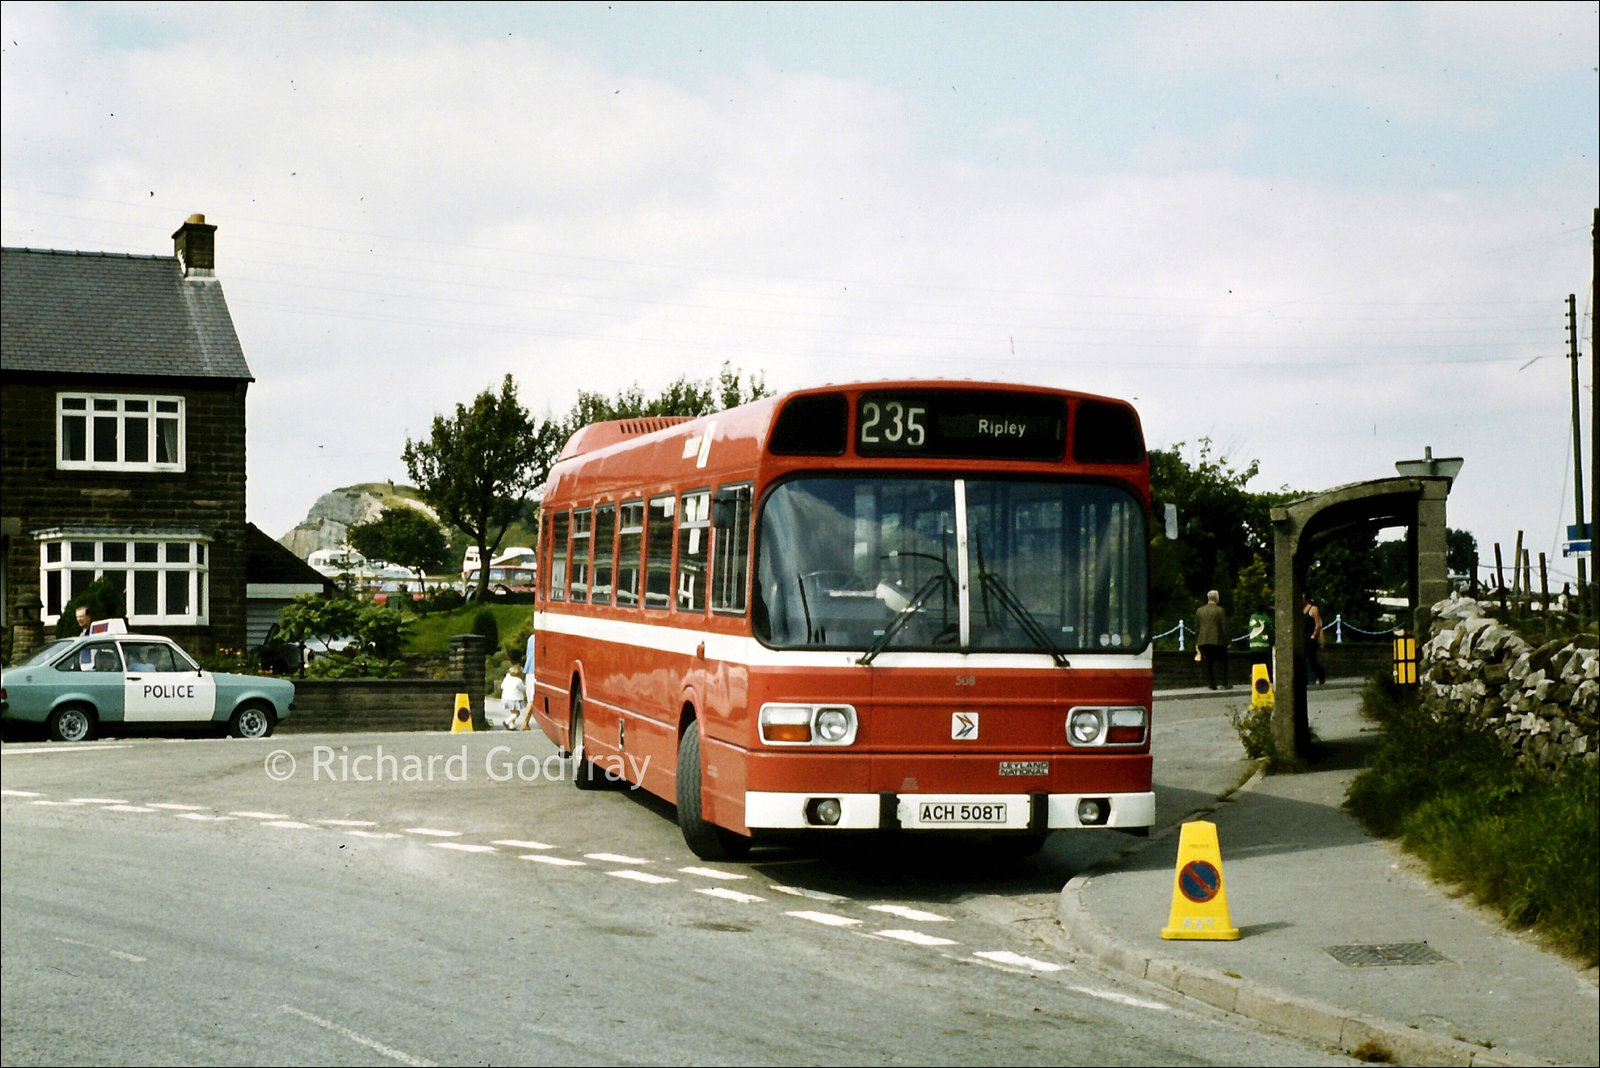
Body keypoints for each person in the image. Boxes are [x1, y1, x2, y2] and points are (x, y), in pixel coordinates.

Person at [1194, 590, 1230, 690]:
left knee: (1207, 663)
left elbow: (1196, 626)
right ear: (1217, 598)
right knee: (1222, 662)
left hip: (1203, 640)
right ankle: (1223, 683)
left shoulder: (1200, 610)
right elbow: (1224, 627)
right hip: (1217, 641)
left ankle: (1211, 684)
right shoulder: (1220, 610)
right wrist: (1227, 641)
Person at [1302, 591, 1327, 685]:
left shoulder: (1313, 609)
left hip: (1310, 636)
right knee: (1304, 658)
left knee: (1311, 658)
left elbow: (1318, 624)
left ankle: (1314, 677)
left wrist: (1315, 636)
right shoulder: (1299, 609)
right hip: (1303, 637)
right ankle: (1307, 678)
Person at [1247, 607, 1273, 679]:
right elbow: (1270, 631)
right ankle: (1264, 678)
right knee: (1264, 663)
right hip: (1263, 645)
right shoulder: (1266, 618)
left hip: (1253, 645)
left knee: (1254, 663)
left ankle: (1253, 677)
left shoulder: (1252, 617)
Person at [500, 666, 528, 730]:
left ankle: (511, 726)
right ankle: (507, 721)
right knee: (517, 713)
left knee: (513, 712)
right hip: (514, 698)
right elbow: (523, 688)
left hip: (506, 698)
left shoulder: (507, 679)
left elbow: (502, 686)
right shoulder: (518, 680)